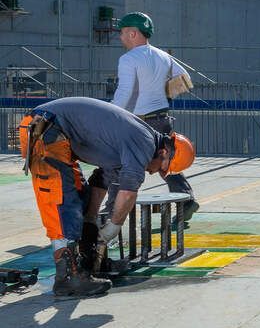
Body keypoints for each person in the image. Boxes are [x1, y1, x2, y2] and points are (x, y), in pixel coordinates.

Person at [18, 97, 195, 297]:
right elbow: (128, 191)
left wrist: (90, 218)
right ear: (164, 151)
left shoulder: (135, 143)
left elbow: (102, 180)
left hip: (55, 132)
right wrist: (113, 226)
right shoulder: (144, 143)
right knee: (62, 201)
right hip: (46, 129)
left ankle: (85, 265)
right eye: (163, 169)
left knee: (80, 201)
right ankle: (67, 278)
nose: (156, 173)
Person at [112, 12, 199, 225]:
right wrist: (161, 90)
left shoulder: (128, 58)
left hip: (140, 122)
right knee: (166, 164)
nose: (120, 38)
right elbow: (184, 78)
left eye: (123, 33)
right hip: (163, 118)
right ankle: (187, 200)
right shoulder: (163, 56)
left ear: (133, 33)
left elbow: (124, 92)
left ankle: (110, 215)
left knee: (121, 167)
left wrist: (109, 115)